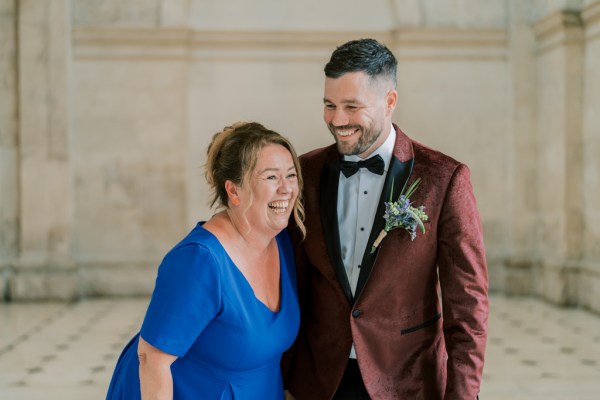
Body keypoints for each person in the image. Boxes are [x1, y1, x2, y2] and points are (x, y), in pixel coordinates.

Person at [283, 39, 488, 399]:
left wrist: (462, 395)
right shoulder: (305, 172)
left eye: (351, 106)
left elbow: (467, 306)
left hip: (407, 380)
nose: (337, 120)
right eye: (329, 105)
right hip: (320, 380)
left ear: (389, 101)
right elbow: (291, 284)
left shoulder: (444, 178)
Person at [106, 121, 305, 400]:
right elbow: (153, 360)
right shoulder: (199, 261)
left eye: (291, 175)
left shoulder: (281, 241)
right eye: (271, 177)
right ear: (234, 192)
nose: (286, 189)